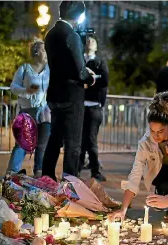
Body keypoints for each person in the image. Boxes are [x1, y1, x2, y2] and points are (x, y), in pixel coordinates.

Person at [109, 92, 168, 221]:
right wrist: (123, 209)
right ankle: (163, 193)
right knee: (163, 189)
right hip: (161, 176)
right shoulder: (145, 142)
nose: (156, 136)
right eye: (152, 131)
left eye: (160, 131)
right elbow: (135, 174)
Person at [42, 1, 96, 181]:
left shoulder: (50, 34)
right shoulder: (70, 35)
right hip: (72, 95)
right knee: (73, 144)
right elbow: (80, 71)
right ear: (78, 15)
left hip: (55, 93)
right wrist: (91, 77)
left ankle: (47, 178)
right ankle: (70, 185)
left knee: (54, 139)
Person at [7, 39, 50, 178]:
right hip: (27, 111)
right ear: (36, 52)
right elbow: (13, 87)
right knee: (21, 144)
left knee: (42, 144)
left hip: (44, 112)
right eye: (44, 50)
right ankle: (11, 173)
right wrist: (26, 90)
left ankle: (39, 173)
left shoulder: (50, 70)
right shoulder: (25, 68)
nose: (46, 53)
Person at [78, 35, 108, 182]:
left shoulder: (100, 61)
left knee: (91, 139)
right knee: (81, 140)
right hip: (80, 106)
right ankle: (77, 169)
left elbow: (105, 80)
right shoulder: (79, 59)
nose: (90, 42)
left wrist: (92, 78)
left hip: (94, 106)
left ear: (96, 47)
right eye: (88, 40)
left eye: (93, 41)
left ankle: (95, 170)